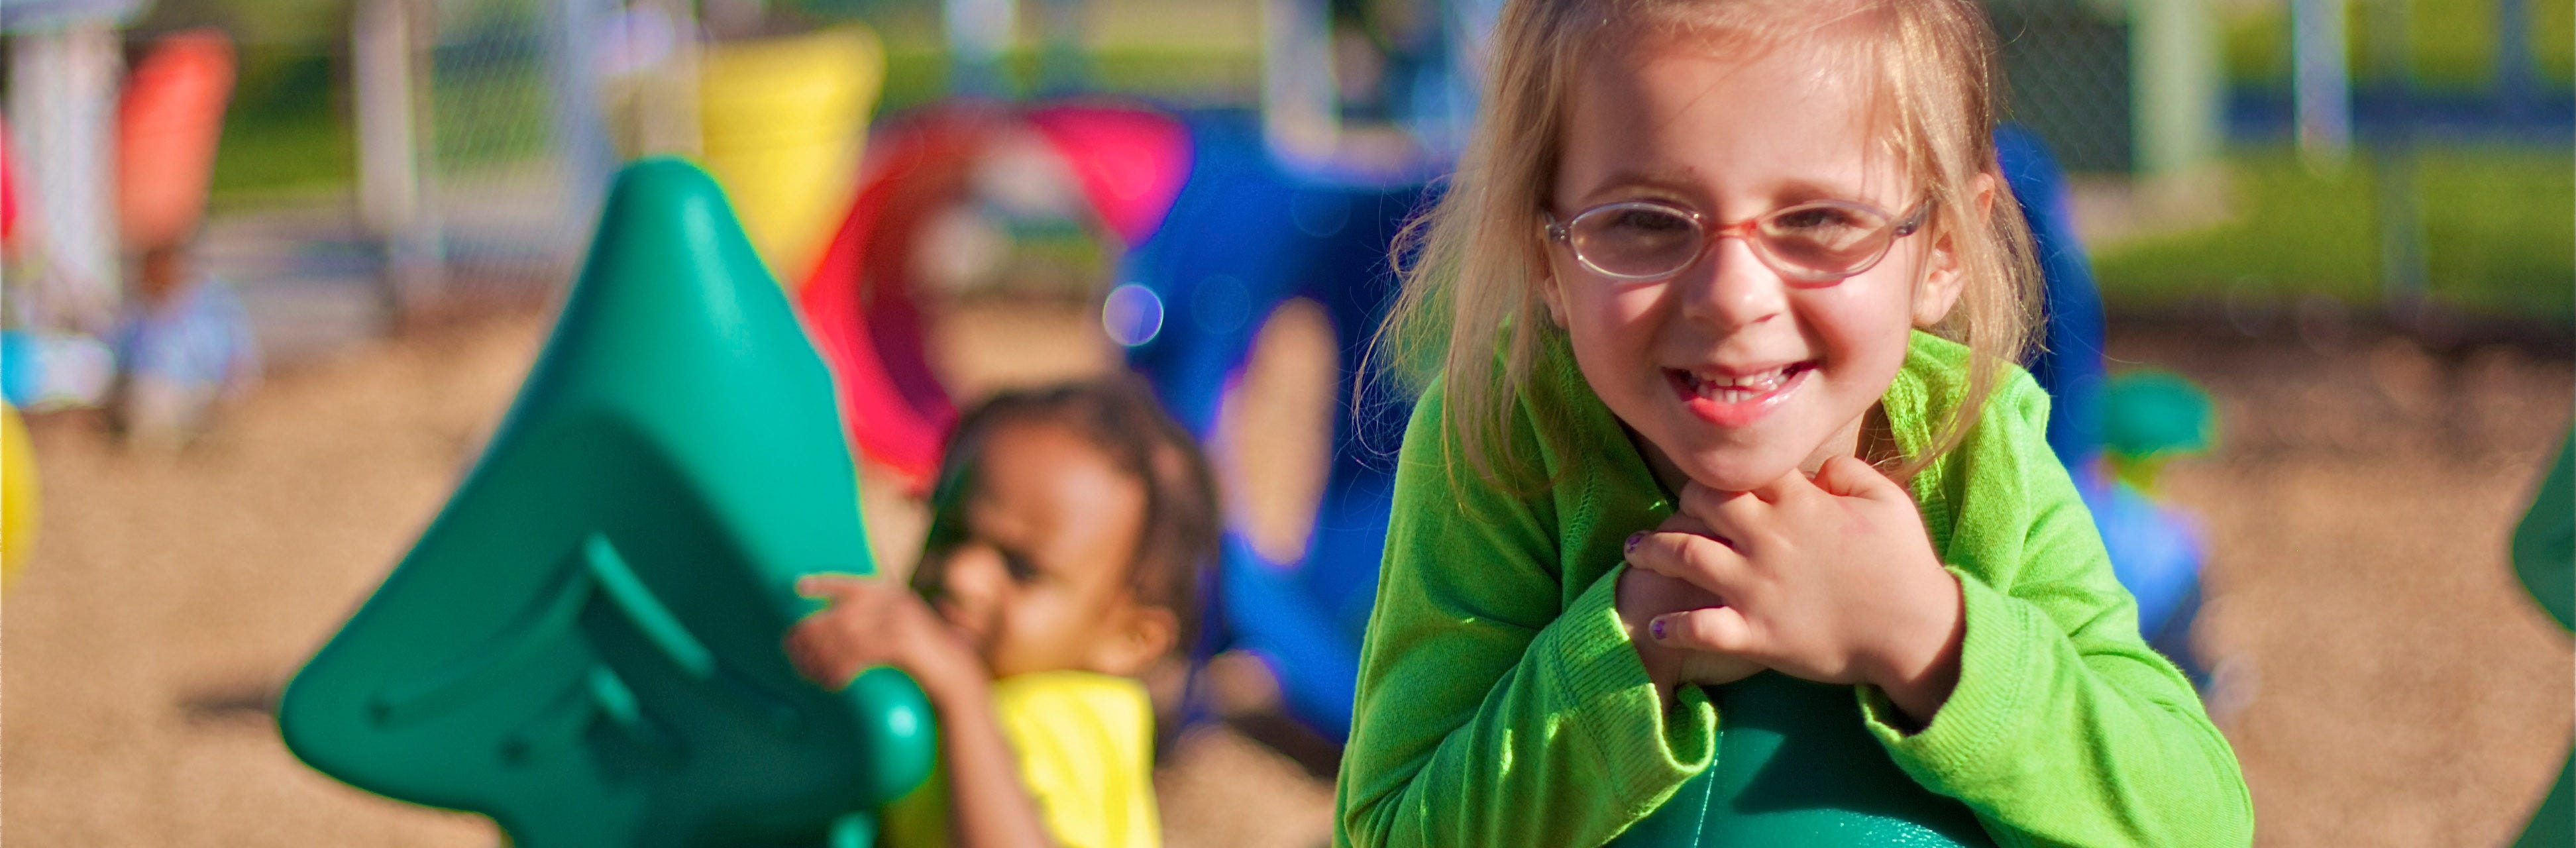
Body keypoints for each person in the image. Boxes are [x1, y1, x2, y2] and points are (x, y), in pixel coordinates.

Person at [1334, 1, 2253, 845]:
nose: (1732, 297)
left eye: (1816, 219)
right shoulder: (1508, 443)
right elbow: (1391, 828)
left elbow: (2195, 821)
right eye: (1646, 222)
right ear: (1547, 257)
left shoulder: (1977, 457)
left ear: (1939, 252)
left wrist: (1931, 640)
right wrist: (1630, 646)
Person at [786, 379, 1221, 848]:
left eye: (1023, 569)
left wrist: (961, 693)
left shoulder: (1055, 724)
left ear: (1129, 639)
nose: (961, 575)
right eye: (951, 532)